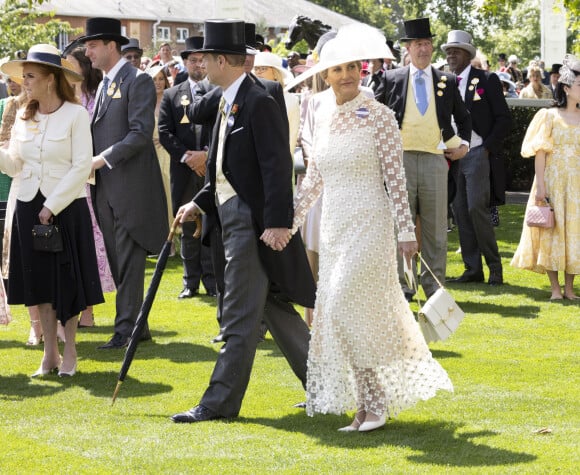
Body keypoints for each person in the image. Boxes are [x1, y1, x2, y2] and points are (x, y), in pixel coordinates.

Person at [288, 24, 452, 432]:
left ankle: (375, 399)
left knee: (345, 305)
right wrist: (287, 224)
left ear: (362, 70)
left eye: (352, 68)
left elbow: (396, 178)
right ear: (326, 75)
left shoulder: (378, 114)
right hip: (334, 225)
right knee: (341, 313)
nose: (345, 75)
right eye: (337, 69)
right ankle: (367, 403)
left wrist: (405, 232)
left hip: (371, 221)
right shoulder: (322, 116)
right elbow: (314, 178)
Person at [171, 19, 315, 424]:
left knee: (236, 313)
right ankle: (328, 385)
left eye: (204, 58)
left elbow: (275, 166)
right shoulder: (225, 98)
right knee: (271, 309)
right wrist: (200, 203)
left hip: (250, 222)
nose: (198, 64)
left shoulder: (258, 99)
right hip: (231, 216)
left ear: (221, 60)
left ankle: (217, 404)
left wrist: (277, 223)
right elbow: (225, 168)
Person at [0, 44, 104, 376]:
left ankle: (70, 352)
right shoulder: (23, 115)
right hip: (27, 207)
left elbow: (80, 167)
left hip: (66, 209)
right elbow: (15, 165)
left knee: (68, 282)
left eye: (29, 76)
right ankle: (49, 355)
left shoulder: (76, 115)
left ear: (50, 79)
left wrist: (52, 205)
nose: (23, 82)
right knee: (39, 283)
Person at [80, 17, 168, 349]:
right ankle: (136, 325)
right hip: (104, 188)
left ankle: (126, 329)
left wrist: (100, 160)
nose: (88, 52)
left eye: (92, 46)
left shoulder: (138, 80)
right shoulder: (103, 84)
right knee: (119, 260)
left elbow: (140, 133)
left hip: (130, 188)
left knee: (129, 260)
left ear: (111, 46)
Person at [375, 18, 472, 299]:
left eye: (428, 44)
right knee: (400, 228)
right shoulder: (391, 78)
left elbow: (464, 119)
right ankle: (403, 289)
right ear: (408, 48)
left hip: (434, 161)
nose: (424, 49)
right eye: (418, 44)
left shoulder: (447, 80)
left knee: (436, 231)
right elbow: (377, 118)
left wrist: (463, 145)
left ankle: (434, 290)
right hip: (399, 161)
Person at [442, 30, 511, 285]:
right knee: (460, 211)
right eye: (448, 51)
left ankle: (494, 268)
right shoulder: (444, 83)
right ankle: (473, 269)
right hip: (452, 157)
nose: (450, 54)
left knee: (475, 209)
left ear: (468, 55)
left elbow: (504, 118)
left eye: (456, 50)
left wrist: (487, 148)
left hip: (478, 154)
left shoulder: (487, 79)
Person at [511, 55, 580, 300]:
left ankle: (570, 289)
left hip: (577, 184)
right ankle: (554, 289)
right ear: (567, 87)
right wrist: (540, 185)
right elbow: (540, 153)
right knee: (552, 230)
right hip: (552, 179)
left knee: (574, 232)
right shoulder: (549, 115)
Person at [158, 36, 216, 299]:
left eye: (203, 60)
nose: (199, 65)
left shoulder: (216, 92)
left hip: (210, 167)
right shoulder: (172, 95)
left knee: (211, 226)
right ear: (184, 63)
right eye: (194, 60)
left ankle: (212, 281)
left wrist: (205, 156)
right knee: (188, 226)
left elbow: (218, 129)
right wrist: (187, 158)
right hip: (183, 171)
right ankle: (189, 282)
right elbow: (164, 131)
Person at [66, 46, 116, 327]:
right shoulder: (60, 99)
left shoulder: (95, 98)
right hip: (63, 178)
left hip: (88, 180)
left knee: (90, 244)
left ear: (85, 67)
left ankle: (88, 311)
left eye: (73, 65)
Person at [252, 51, 300, 153]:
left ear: (275, 73)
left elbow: (291, 136)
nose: (258, 72)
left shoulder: (290, 100)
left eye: (263, 68)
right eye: (256, 68)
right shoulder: (249, 97)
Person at [146, 65, 173, 231]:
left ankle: (171, 232)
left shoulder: (171, 99)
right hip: (149, 155)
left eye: (161, 79)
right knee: (153, 195)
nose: (158, 83)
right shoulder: (144, 102)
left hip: (169, 153)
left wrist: (166, 140)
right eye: (154, 79)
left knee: (169, 193)